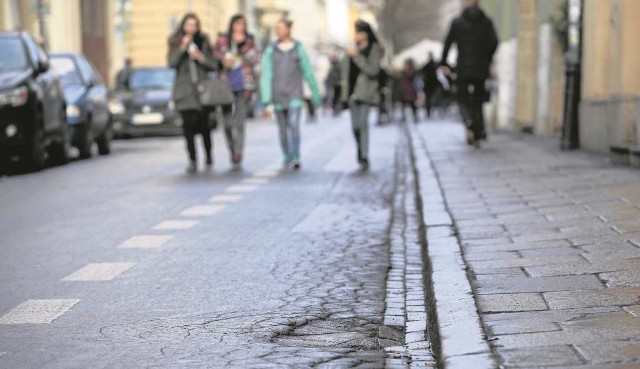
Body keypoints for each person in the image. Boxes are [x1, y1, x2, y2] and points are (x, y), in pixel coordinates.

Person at [260, 19, 321, 170]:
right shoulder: (270, 50)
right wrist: (266, 99)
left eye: (281, 28)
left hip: (295, 94)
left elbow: (307, 71)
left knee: (293, 124)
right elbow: (266, 75)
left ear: (289, 29)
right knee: (282, 128)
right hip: (278, 95)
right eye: (276, 28)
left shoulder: (298, 49)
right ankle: (286, 154)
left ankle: (296, 155)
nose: (278, 31)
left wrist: (315, 94)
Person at [441, 0, 498, 147]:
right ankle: (478, 130)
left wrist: (443, 63)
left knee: (462, 98)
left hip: (463, 67)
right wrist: (487, 58)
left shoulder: (458, 22)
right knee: (478, 99)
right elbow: (494, 42)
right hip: (481, 68)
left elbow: (447, 43)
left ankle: (468, 120)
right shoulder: (486, 21)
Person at [168, 13, 217, 173]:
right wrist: (182, 47)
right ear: (183, 26)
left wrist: (201, 57)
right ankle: (193, 159)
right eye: (188, 25)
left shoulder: (203, 41)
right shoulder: (175, 41)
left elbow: (213, 65)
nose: (191, 28)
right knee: (188, 128)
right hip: (184, 92)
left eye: (194, 25)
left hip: (202, 91)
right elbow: (171, 63)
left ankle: (208, 155)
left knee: (205, 127)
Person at [214, 14, 260, 171]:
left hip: (244, 84)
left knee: (240, 122)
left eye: (242, 24)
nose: (239, 27)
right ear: (232, 25)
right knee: (227, 123)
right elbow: (215, 56)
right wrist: (222, 60)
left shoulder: (249, 40)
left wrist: (243, 46)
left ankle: (238, 154)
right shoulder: (223, 40)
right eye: (237, 24)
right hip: (226, 84)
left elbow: (255, 60)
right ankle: (232, 149)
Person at [341, 20, 383, 171]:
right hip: (352, 94)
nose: (357, 36)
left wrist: (357, 56)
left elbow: (373, 70)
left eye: (360, 33)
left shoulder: (374, 49)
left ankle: (364, 155)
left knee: (362, 124)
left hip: (366, 93)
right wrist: (343, 95)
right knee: (354, 127)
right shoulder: (351, 49)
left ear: (366, 34)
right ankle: (360, 149)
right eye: (356, 33)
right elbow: (345, 73)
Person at [399, 58, 419, 123]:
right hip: (405, 90)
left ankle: (414, 117)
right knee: (405, 105)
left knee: (412, 105)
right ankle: (404, 117)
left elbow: (412, 79)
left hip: (411, 90)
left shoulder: (412, 71)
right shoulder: (404, 71)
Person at [421, 52, 439, 118]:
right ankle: (429, 112)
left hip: (430, 85)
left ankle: (430, 112)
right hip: (430, 85)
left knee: (430, 100)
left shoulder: (432, 65)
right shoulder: (434, 65)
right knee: (430, 99)